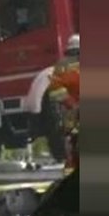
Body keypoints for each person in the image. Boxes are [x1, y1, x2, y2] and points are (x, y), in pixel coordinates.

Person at [48, 34, 80, 173]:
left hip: (71, 113)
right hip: (73, 113)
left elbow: (55, 91)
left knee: (73, 142)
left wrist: (71, 104)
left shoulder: (61, 66)